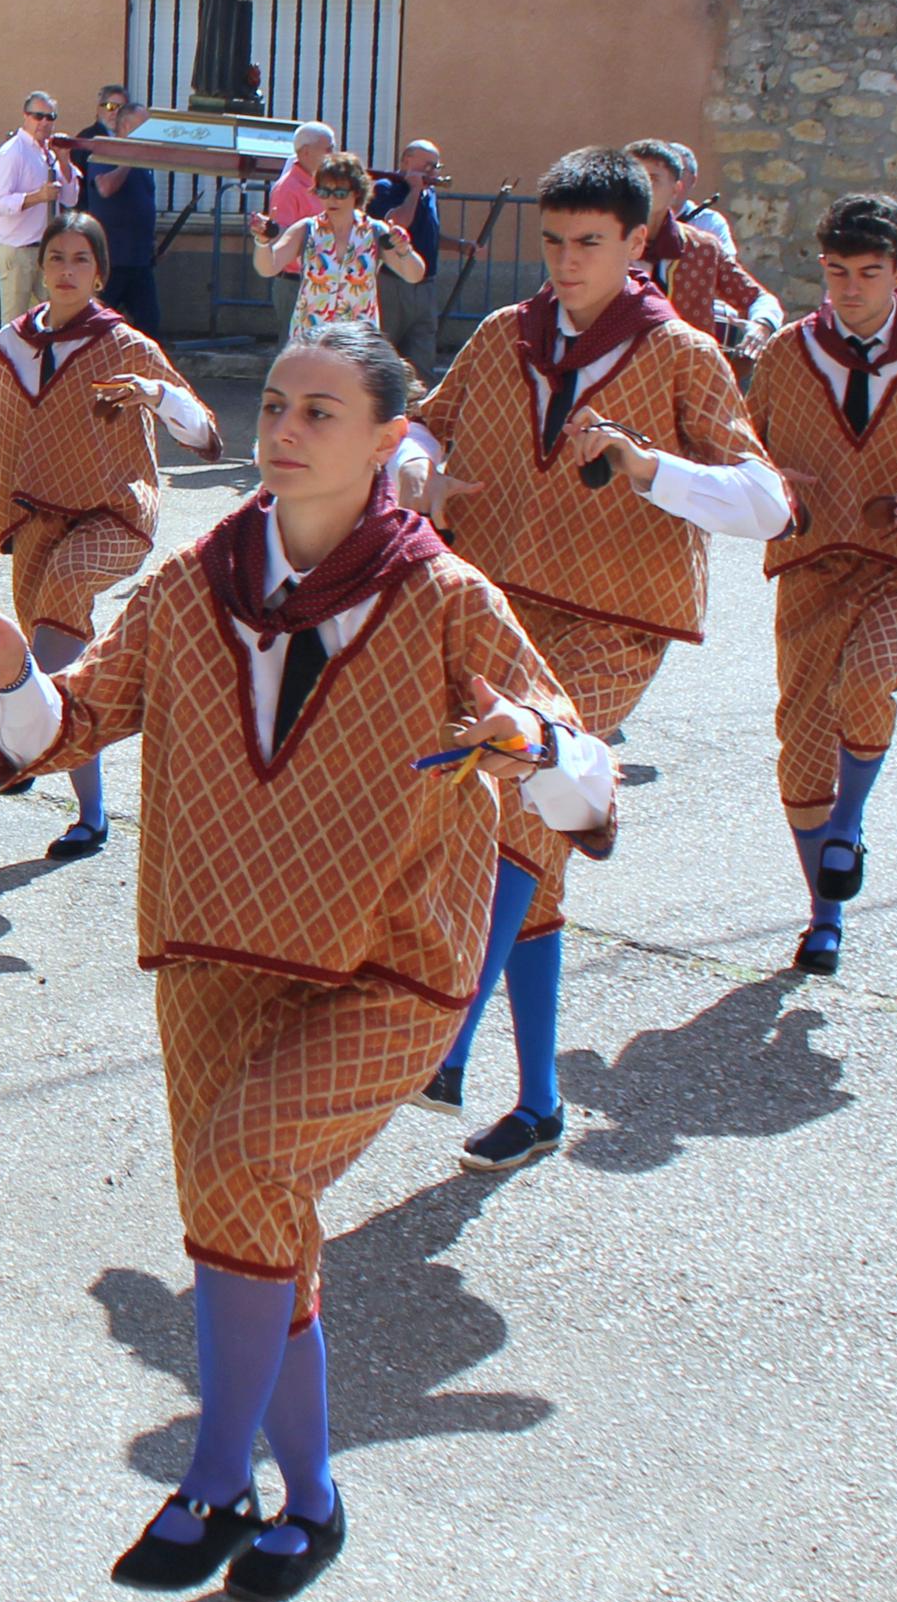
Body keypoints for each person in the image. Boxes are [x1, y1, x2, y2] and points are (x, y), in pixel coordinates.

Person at [0, 319, 613, 1602]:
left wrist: (535, 745)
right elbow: (79, 718)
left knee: (248, 1163)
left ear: (385, 442)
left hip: (389, 964)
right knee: (243, 1221)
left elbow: (582, 777)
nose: (285, 428)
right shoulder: (197, 576)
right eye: (276, 405)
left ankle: (208, 1481)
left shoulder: (445, 599)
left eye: (319, 411)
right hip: (212, 951)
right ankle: (305, 1499)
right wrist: (19, 678)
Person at [403, 146, 790, 1173]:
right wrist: (421, 478)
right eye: (554, 241)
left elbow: (766, 502)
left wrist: (649, 466)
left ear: (634, 243)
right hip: (494, 615)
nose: (566, 261)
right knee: (535, 844)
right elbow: (420, 432)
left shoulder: (681, 357)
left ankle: (445, 1037)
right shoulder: (500, 337)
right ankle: (536, 1104)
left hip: (616, 625)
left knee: (521, 790)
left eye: (588, 243)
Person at [743, 196, 897, 975]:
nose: (848, 288)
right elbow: (740, 450)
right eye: (835, 272)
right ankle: (823, 914)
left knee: (867, 679)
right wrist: (763, 473)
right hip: (813, 556)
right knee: (800, 737)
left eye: (868, 273)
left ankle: (847, 824)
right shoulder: (788, 354)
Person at [0, 212, 220, 860]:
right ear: (39, 267)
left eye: (80, 260)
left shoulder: (124, 344)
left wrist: (152, 394)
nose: (66, 270)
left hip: (113, 514)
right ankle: (89, 814)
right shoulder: (8, 344)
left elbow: (206, 435)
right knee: (52, 657)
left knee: (62, 598)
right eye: (56, 257)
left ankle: (15, 742)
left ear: (99, 271)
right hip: (36, 523)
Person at [252, 148, 427, 338]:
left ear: (357, 193)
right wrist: (262, 242)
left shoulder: (375, 231)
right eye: (324, 192)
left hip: (357, 343)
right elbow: (268, 268)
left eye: (340, 193)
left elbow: (414, 275)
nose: (331, 199)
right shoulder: (306, 229)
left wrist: (404, 250)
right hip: (312, 340)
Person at [634, 140, 779, 362]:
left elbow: (759, 298)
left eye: (653, 179)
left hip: (688, 376)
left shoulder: (703, 249)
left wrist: (761, 326)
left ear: (675, 190)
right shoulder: (599, 244)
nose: (641, 188)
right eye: (634, 178)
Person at [73, 82, 167, 333]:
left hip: (139, 260)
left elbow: (144, 200)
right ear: (126, 127)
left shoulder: (145, 159)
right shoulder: (107, 149)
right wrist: (129, 161)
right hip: (111, 260)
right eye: (142, 126)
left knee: (149, 327)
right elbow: (104, 188)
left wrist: (152, 239)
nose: (148, 132)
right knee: (98, 327)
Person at [0, 92, 79, 324]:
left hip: (45, 251)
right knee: (14, 324)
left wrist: (65, 160)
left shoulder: (48, 154)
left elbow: (71, 198)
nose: (45, 123)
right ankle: (9, 361)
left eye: (51, 117)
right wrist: (38, 197)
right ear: (25, 116)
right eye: (39, 116)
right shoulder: (13, 153)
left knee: (55, 318)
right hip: (17, 250)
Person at [368, 138, 446, 369]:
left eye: (435, 166)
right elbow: (397, 224)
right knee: (384, 353)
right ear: (406, 160)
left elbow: (428, 234)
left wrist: (462, 246)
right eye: (427, 165)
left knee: (422, 359)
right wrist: (413, 190)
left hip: (426, 285)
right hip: (393, 282)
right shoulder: (385, 188)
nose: (431, 172)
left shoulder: (428, 193)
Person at [262, 119, 336, 238]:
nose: (333, 155)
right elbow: (282, 238)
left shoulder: (326, 183)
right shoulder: (287, 189)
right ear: (306, 151)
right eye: (328, 150)